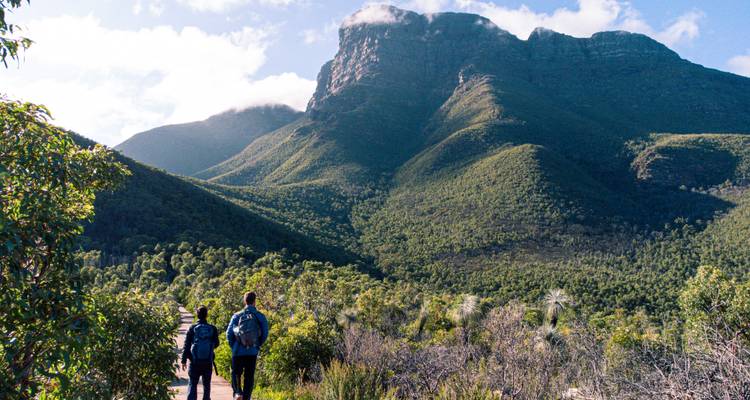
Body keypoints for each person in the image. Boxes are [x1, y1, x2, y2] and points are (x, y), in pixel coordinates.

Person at [226, 291, 269, 400]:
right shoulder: (259, 316)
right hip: (252, 352)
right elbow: (265, 333)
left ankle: (238, 393)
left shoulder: (237, 315)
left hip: (238, 351)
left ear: (245, 301)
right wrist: (257, 345)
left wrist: (234, 346)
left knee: (236, 374)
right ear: (255, 301)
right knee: (249, 377)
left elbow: (229, 334)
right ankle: (247, 398)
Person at [182, 305, 220, 400]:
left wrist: (184, 360)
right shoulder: (213, 328)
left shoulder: (192, 328)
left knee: (193, 384)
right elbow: (217, 344)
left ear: (197, 315)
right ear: (207, 315)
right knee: (206, 385)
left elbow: (186, 346)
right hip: (207, 361)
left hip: (194, 361)